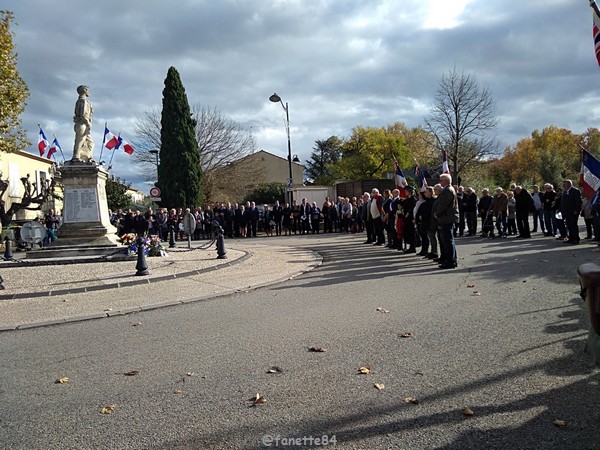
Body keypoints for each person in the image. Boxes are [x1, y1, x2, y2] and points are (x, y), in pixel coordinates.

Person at [433, 174, 459, 269]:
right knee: (448, 240)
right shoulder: (448, 189)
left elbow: (443, 205)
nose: (440, 182)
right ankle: (450, 259)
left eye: (441, 180)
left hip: (447, 218)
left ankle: (450, 261)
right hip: (446, 218)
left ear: (446, 181)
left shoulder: (448, 190)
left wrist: (437, 213)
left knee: (448, 241)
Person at [71, 85, 94, 163]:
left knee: (89, 142)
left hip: (84, 124)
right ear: (85, 90)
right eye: (88, 90)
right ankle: (76, 157)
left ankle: (87, 156)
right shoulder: (83, 101)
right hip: (82, 123)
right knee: (80, 140)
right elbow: (83, 114)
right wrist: (88, 122)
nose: (89, 92)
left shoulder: (84, 101)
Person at [561, 179, 582, 244]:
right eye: (563, 184)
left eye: (565, 184)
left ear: (569, 184)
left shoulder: (575, 191)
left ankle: (576, 239)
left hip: (573, 212)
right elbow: (562, 202)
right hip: (566, 212)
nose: (563, 185)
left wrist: (576, 210)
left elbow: (578, 202)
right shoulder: (565, 192)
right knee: (569, 225)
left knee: (573, 225)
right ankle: (571, 238)